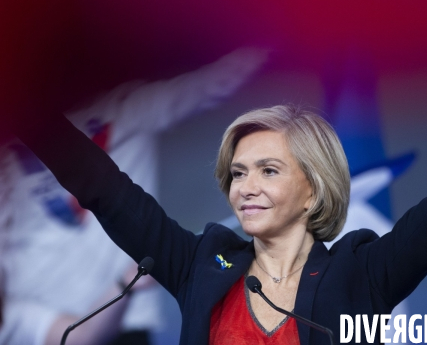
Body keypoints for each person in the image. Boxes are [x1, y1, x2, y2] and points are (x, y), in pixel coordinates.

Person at [10, 39, 427, 344]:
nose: (245, 187)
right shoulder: (202, 264)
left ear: (314, 190)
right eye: (238, 173)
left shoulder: (358, 273)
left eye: (268, 170)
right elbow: (106, 189)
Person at [0, 47, 269, 345]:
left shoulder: (123, 105)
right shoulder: (9, 141)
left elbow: (215, 83)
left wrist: (281, 30)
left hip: (126, 312)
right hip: (40, 322)